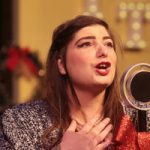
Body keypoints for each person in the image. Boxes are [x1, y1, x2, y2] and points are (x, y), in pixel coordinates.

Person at [0, 15, 149, 150]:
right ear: (61, 65)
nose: (103, 51)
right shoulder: (18, 121)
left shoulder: (141, 120)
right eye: (86, 44)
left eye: (108, 44)